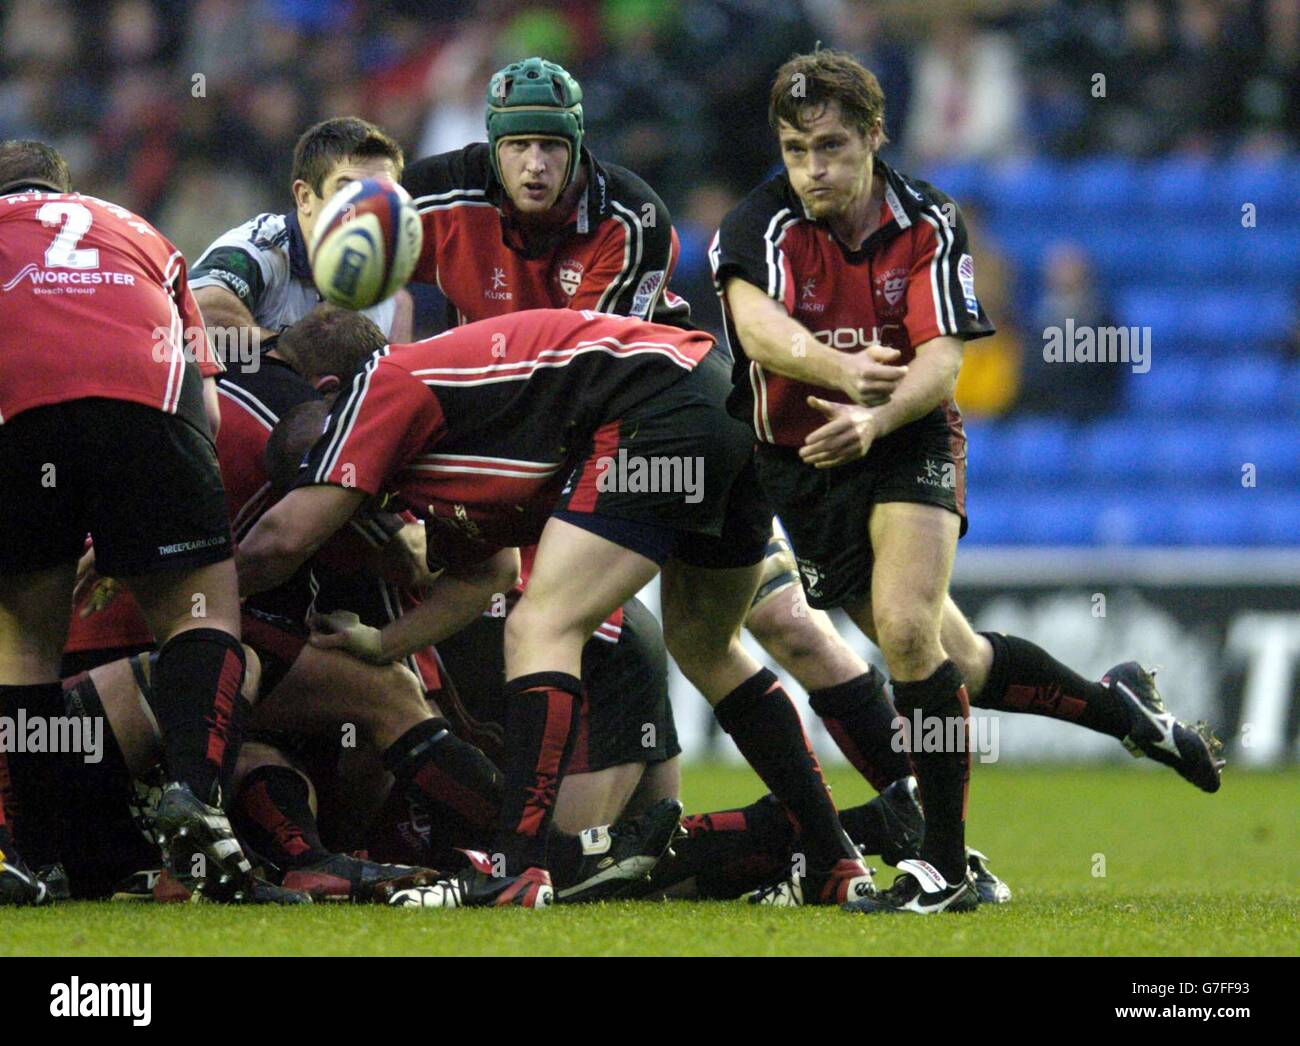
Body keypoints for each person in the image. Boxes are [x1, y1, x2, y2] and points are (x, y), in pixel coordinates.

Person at [714, 51, 1223, 914]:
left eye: (832, 147)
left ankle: (944, 868)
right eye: (797, 149)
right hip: (801, 465)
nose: (813, 169)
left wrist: (875, 414)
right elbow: (756, 330)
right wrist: (840, 371)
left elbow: (943, 363)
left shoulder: (929, 223)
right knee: (963, 659)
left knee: (908, 632)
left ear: (876, 136)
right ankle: (1128, 712)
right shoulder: (760, 222)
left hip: (905, 437)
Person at [236, 306, 875, 909]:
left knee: (540, 627)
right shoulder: (440, 451)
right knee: (707, 646)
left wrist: (182, 604)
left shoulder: (380, 384)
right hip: (726, 401)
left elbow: (279, 540)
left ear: (329, 396)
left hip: (659, 403)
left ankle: (520, 868)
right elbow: (488, 571)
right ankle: (831, 859)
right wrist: (382, 645)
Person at [0, 140, 252, 902]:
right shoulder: (143, 231)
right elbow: (207, 408)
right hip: (153, 412)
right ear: (65, 189)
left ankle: (32, 855)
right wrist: (138, 521)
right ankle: (197, 802)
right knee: (201, 611)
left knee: (24, 648)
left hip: (18, 417)